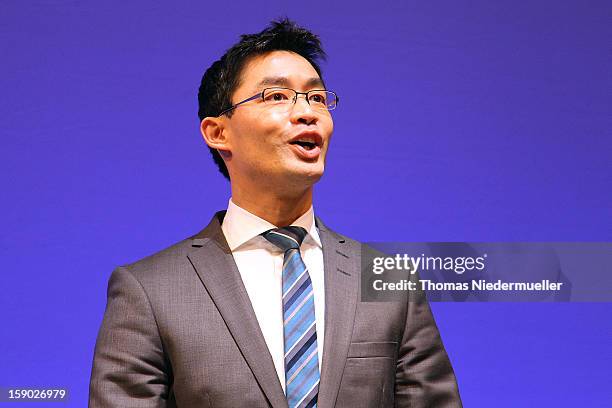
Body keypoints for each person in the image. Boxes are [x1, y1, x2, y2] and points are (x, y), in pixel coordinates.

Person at [89, 19, 462, 408]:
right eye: (276, 96)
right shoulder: (150, 290)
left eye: (317, 98)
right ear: (218, 132)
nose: (307, 113)